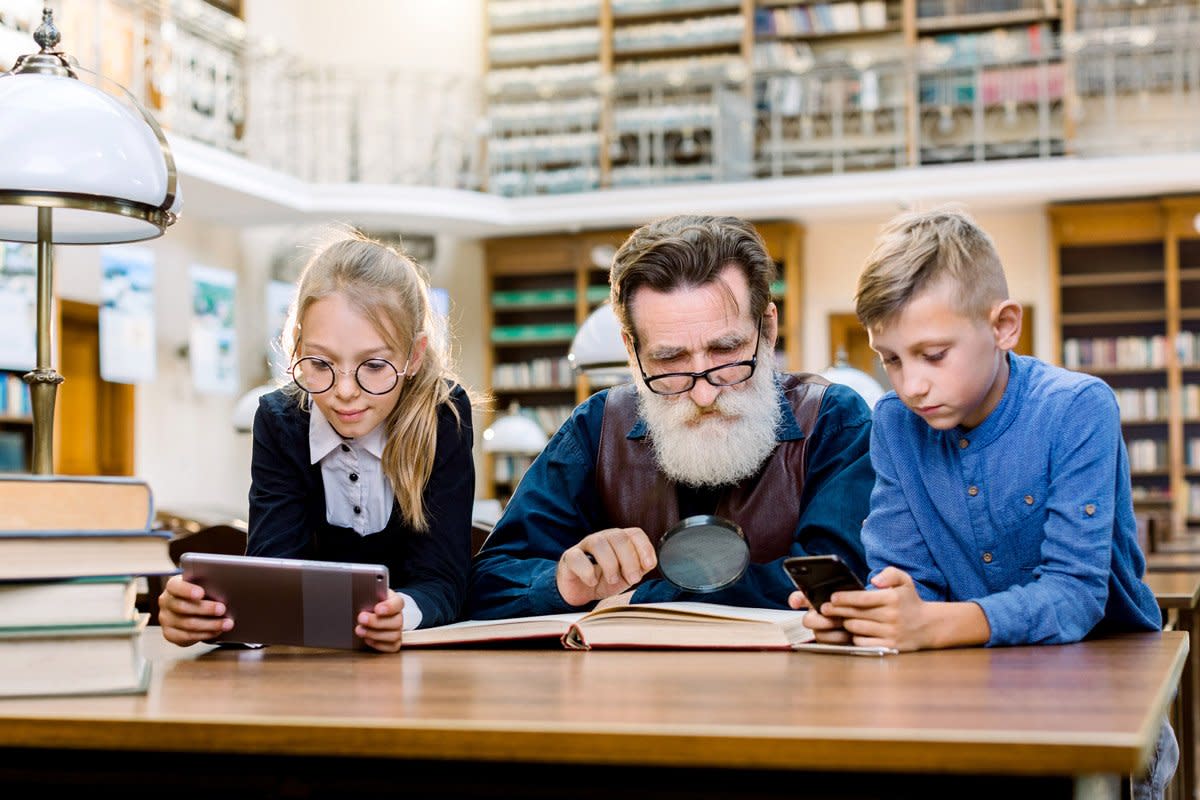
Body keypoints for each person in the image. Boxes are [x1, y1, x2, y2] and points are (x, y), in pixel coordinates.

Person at [789, 207, 1175, 798]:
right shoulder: (894, 423)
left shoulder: (1077, 408)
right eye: (890, 359)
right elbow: (909, 580)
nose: (910, 384)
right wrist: (870, 616)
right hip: (967, 684)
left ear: (1004, 326)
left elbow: (1074, 597)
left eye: (933, 354)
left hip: (1106, 688)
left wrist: (929, 624)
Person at [467, 214, 875, 618]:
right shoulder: (596, 427)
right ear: (631, 350)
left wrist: (647, 599)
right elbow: (490, 582)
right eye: (669, 360)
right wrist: (562, 583)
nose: (703, 393)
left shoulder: (833, 420)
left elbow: (836, 582)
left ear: (767, 329)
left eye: (726, 351)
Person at [159, 232, 475, 652]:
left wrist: (407, 612)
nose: (345, 390)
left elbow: (444, 581)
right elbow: (272, 569)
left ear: (413, 357)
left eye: (375, 365)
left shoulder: (443, 414)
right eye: (320, 363)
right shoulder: (279, 420)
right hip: (302, 669)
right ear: (296, 348)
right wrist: (208, 617)